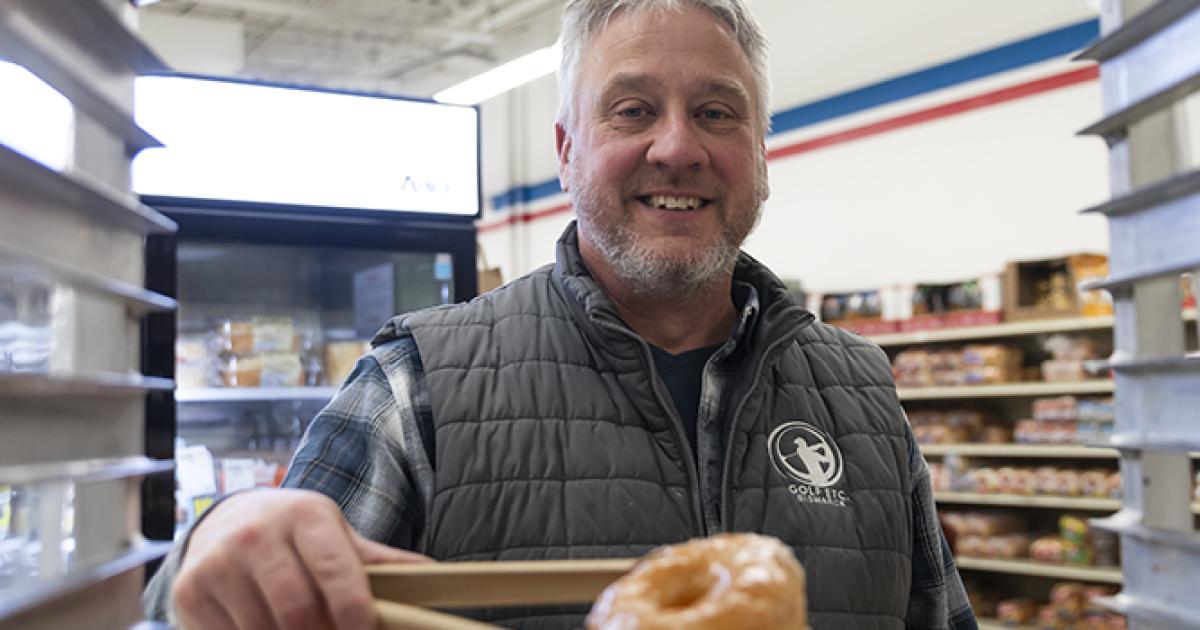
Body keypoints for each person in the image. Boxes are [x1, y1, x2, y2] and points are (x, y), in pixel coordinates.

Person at [145, 1, 978, 628]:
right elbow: (213, 603)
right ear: (567, 151)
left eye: (717, 113)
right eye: (633, 109)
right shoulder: (415, 386)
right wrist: (219, 545)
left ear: (760, 153)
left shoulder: (861, 390)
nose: (677, 147)